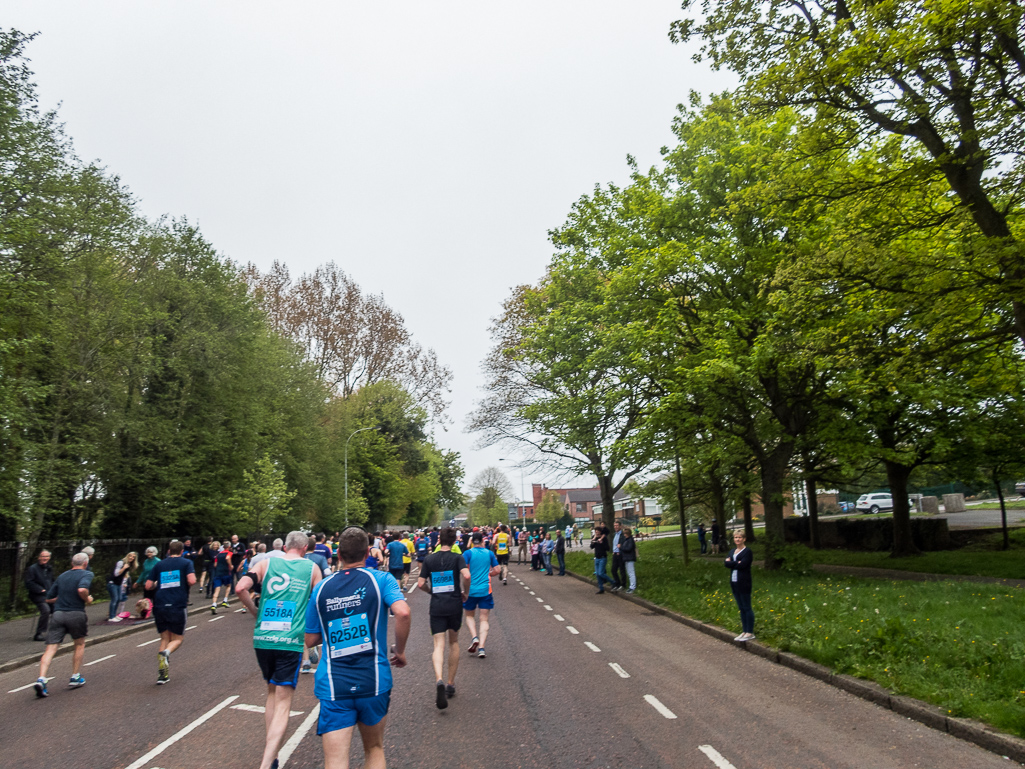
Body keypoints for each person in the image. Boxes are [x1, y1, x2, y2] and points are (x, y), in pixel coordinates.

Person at [305, 526, 410, 769]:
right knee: (374, 748)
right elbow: (403, 613)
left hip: (334, 684)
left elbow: (309, 640)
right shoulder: (381, 579)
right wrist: (400, 651)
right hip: (373, 680)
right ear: (368, 553)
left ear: (338, 555)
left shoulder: (321, 588)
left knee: (335, 759)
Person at [236, 531, 322, 769]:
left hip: (263, 639)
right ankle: (266, 763)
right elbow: (320, 600)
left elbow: (241, 587)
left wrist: (255, 612)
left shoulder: (266, 563)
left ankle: (272, 756)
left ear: (285, 547)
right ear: (305, 547)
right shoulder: (312, 569)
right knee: (284, 701)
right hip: (290, 640)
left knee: (272, 692)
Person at [418, 527, 469, 709]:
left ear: (439, 540)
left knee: (438, 644)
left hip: (437, 606)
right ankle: (450, 683)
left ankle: (438, 678)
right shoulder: (457, 558)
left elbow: (420, 583)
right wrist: (465, 592)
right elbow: (467, 575)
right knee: (453, 643)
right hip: (454, 604)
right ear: (455, 540)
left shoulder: (430, 559)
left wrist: (431, 591)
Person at [34, 552, 94, 697]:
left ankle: (41, 679)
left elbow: (49, 598)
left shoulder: (62, 576)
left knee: (51, 648)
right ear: (85, 564)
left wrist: (63, 598)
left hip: (58, 614)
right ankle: (75, 676)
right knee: (79, 644)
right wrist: (87, 599)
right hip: (76, 613)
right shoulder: (86, 574)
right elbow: (82, 589)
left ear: (72, 563)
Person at [144, 540, 196, 684]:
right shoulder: (186, 563)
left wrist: (160, 583)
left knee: (165, 638)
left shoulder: (159, 564)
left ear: (168, 550)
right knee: (178, 639)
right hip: (177, 604)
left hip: (160, 604)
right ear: (181, 551)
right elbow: (192, 581)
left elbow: (148, 585)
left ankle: (162, 675)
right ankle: (166, 654)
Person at [462, 532, 500, 659]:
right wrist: (490, 574)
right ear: (483, 541)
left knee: (469, 616)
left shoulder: (467, 554)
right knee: (484, 619)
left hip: (470, 590)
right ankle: (482, 648)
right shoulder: (489, 553)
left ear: (472, 541)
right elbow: (498, 570)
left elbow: (462, 570)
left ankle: (474, 637)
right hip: (485, 590)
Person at [724, 530, 755, 641]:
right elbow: (726, 563)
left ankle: (750, 632)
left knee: (747, 607)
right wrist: (736, 563)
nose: (737, 539)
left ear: (744, 539)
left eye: (740, 537)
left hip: (744, 582)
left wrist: (732, 563)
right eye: (736, 537)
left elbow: (744, 565)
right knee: (741, 608)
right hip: (734, 582)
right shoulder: (732, 551)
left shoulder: (747, 552)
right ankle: (744, 630)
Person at [24, 550, 54, 642]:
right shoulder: (33, 569)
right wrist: (40, 590)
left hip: (49, 594)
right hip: (38, 595)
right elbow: (28, 582)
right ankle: (39, 633)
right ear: (39, 557)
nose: (44, 558)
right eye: (43, 556)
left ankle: (57, 630)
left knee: (59, 608)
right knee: (46, 610)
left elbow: (52, 580)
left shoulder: (49, 568)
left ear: (49, 558)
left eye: (46, 557)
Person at [107, 551, 137, 621]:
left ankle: (114, 615)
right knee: (115, 599)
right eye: (130, 556)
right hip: (112, 583)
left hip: (118, 584)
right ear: (127, 556)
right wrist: (123, 568)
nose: (131, 558)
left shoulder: (128, 565)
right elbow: (116, 574)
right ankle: (111, 617)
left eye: (133, 557)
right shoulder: (121, 562)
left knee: (119, 599)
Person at [210, 541, 233, 612]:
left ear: (223, 547)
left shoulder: (218, 554)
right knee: (228, 586)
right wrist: (231, 565)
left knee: (217, 589)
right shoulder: (229, 553)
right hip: (226, 572)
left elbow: (215, 565)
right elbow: (227, 558)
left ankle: (214, 604)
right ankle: (225, 600)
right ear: (229, 547)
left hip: (218, 573)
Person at [590, 526, 613, 594]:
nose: (596, 533)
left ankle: (613, 582)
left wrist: (602, 543)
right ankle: (601, 588)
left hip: (603, 557)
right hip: (597, 558)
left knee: (601, 573)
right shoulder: (594, 538)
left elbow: (607, 548)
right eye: (596, 531)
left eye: (598, 531)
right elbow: (591, 547)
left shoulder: (604, 538)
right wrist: (593, 541)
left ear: (600, 532)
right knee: (597, 574)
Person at [610, 521, 627, 592]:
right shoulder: (615, 534)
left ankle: (623, 585)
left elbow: (625, 543)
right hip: (615, 554)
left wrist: (621, 547)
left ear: (620, 526)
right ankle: (617, 583)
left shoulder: (622, 534)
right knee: (613, 570)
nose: (615, 527)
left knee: (622, 570)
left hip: (620, 554)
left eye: (617, 525)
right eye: (614, 526)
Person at [620, 527, 638, 593]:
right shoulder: (627, 540)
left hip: (630, 558)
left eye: (625, 534)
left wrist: (621, 547)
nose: (624, 535)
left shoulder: (630, 540)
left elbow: (628, 549)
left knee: (631, 573)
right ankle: (631, 586)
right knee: (629, 572)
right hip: (627, 558)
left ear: (627, 534)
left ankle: (632, 586)